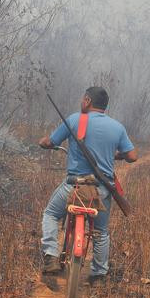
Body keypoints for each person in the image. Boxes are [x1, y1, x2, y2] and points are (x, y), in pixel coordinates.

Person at [38, 86, 138, 283]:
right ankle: (99, 275)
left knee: (50, 214)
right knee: (100, 232)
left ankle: (51, 255)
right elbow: (133, 157)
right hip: (101, 189)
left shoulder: (75, 120)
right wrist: (115, 155)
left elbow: (51, 142)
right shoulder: (117, 127)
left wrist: (44, 142)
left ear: (87, 100)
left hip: (75, 185)